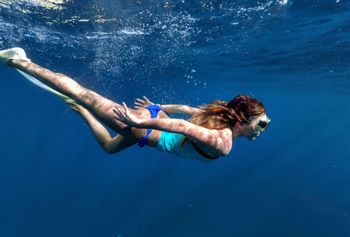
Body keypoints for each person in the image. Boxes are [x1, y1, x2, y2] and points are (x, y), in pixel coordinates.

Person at [0, 47, 270, 162]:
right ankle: (19, 61)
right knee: (82, 92)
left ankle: (83, 110)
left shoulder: (218, 120)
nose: (263, 129)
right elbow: (180, 126)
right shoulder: (223, 142)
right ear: (244, 119)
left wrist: (157, 106)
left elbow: (187, 112)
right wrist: (141, 121)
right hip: (142, 127)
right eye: (262, 123)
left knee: (109, 148)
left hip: (149, 122)